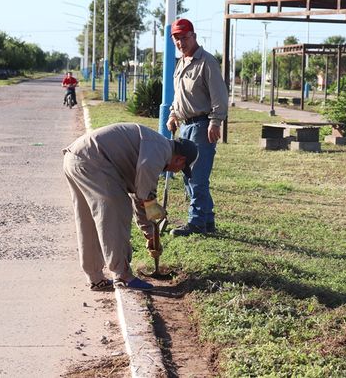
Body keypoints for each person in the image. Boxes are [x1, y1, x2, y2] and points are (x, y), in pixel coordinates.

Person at [62, 123, 198, 291]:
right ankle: (123, 275)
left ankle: (95, 277)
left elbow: (139, 195)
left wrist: (150, 234)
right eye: (181, 169)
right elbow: (145, 197)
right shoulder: (160, 150)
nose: (177, 172)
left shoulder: (155, 146)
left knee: (87, 219)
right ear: (180, 160)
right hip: (94, 162)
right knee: (117, 213)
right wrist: (152, 213)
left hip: (75, 158)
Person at [166, 18, 228, 237]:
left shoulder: (206, 62)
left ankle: (196, 223)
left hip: (202, 126)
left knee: (197, 177)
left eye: (184, 37)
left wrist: (216, 122)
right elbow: (179, 96)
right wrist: (173, 114)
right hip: (185, 126)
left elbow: (219, 95)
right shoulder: (181, 63)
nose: (181, 42)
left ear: (193, 35)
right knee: (188, 174)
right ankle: (207, 220)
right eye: (177, 38)